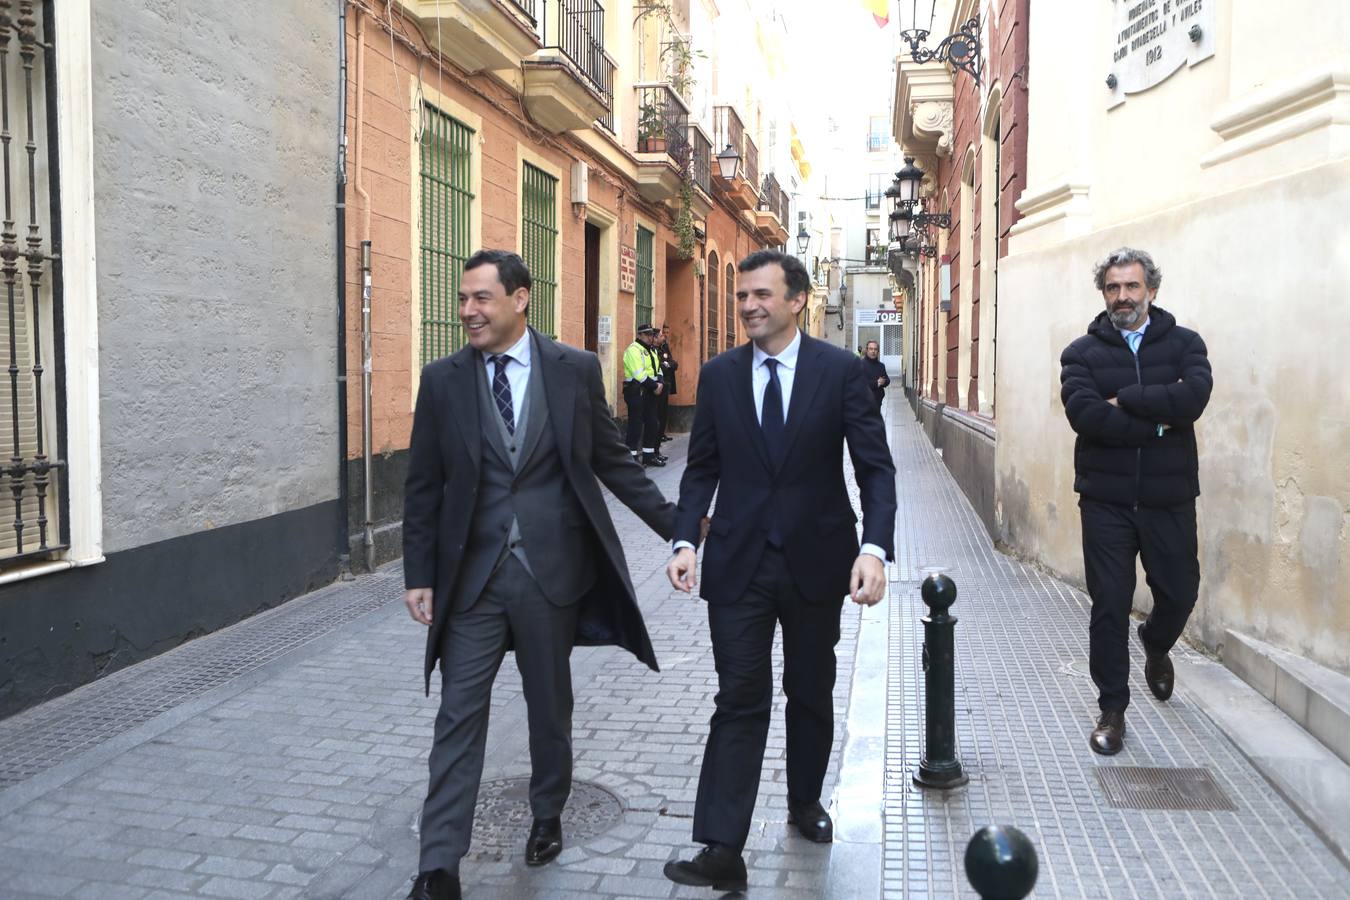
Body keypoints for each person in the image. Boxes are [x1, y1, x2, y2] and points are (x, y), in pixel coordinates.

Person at [402, 250, 676, 900]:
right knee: (458, 715)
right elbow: (423, 485)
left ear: (520, 298)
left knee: (549, 707)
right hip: (472, 580)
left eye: (481, 298)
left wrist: (679, 527)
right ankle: (438, 866)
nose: (468, 310)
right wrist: (419, 574)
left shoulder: (572, 370)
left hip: (550, 575)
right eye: (463, 298)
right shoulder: (442, 381)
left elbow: (613, 461)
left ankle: (548, 811)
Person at [662, 250, 897, 891]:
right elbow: (702, 467)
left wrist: (874, 549)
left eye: (761, 295)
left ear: (797, 301)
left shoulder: (840, 372)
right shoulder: (719, 376)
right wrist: (684, 539)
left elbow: (875, 469)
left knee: (810, 689)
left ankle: (804, 800)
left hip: (817, 560)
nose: (748, 306)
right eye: (742, 296)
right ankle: (721, 845)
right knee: (739, 696)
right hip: (737, 562)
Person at [1059, 246, 1212, 756]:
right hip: (1106, 501)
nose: (1122, 296)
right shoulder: (1081, 353)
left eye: (1131, 286)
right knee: (1109, 604)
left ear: (1151, 290)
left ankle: (1156, 642)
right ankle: (1112, 709)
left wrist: (1125, 399)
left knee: (1181, 592)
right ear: (1103, 294)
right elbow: (1086, 416)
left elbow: (1193, 399)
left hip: (1169, 498)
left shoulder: (1186, 343)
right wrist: (1161, 424)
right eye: (1113, 288)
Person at [622, 324, 665, 466]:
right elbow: (638, 374)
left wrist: (660, 382)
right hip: (636, 391)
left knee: (652, 423)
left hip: (650, 392)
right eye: (647, 334)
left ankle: (649, 456)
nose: (650, 337)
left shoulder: (651, 350)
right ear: (639, 335)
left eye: (651, 334)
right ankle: (632, 458)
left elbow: (658, 369)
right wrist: (655, 386)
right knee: (635, 425)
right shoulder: (633, 350)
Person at [656, 323, 679, 441]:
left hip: (667, 382)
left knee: (664, 410)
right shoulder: (656, 349)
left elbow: (674, 363)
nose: (665, 336)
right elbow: (661, 366)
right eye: (663, 333)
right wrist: (668, 365)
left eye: (667, 333)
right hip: (659, 383)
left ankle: (662, 433)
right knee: (659, 410)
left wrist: (668, 365)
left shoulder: (665, 346)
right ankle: (658, 435)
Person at [859, 339, 890, 411]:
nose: (873, 351)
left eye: (875, 349)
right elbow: (860, 384)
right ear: (867, 350)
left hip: (878, 402)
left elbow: (887, 380)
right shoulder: (860, 364)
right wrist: (876, 383)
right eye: (871, 349)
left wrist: (884, 382)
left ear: (878, 351)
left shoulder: (881, 366)